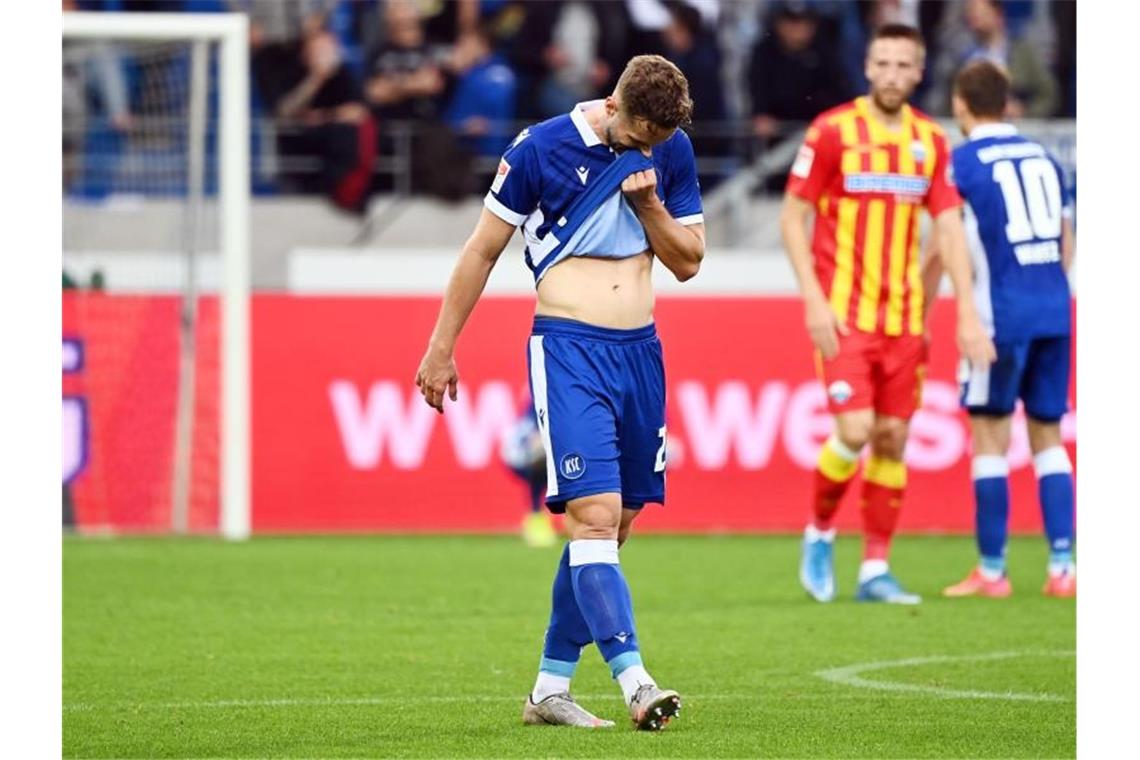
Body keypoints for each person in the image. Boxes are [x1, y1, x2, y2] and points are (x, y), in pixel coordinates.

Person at [415, 54, 704, 729]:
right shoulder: (541, 149)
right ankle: (636, 682)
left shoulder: (670, 149)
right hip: (571, 348)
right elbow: (481, 251)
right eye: (643, 134)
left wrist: (648, 200)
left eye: (661, 139)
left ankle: (549, 688)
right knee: (594, 517)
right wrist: (440, 347)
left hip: (642, 354)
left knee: (614, 528)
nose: (652, 147)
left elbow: (688, 262)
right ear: (616, 105)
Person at [780, 23, 995, 605]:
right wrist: (812, 299)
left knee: (894, 437)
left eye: (905, 65)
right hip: (846, 316)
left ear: (919, 72)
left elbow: (949, 227)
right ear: (868, 68)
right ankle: (820, 533)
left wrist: (966, 312)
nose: (893, 74)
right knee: (855, 429)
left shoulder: (931, 140)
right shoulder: (833, 132)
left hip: (905, 320)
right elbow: (792, 217)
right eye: (884, 64)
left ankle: (876, 567)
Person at [937, 60, 1075, 599]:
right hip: (1055, 311)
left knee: (990, 436)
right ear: (1007, 101)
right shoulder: (1044, 155)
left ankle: (992, 571)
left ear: (961, 104)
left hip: (1000, 317)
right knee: (1048, 436)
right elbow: (1066, 241)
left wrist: (965, 313)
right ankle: (1063, 567)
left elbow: (947, 238)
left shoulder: (963, 163)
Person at [499, 402, 557, 548]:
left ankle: (538, 518)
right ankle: (536, 520)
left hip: (520, 452)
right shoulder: (547, 401)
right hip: (521, 454)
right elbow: (536, 439)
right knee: (543, 464)